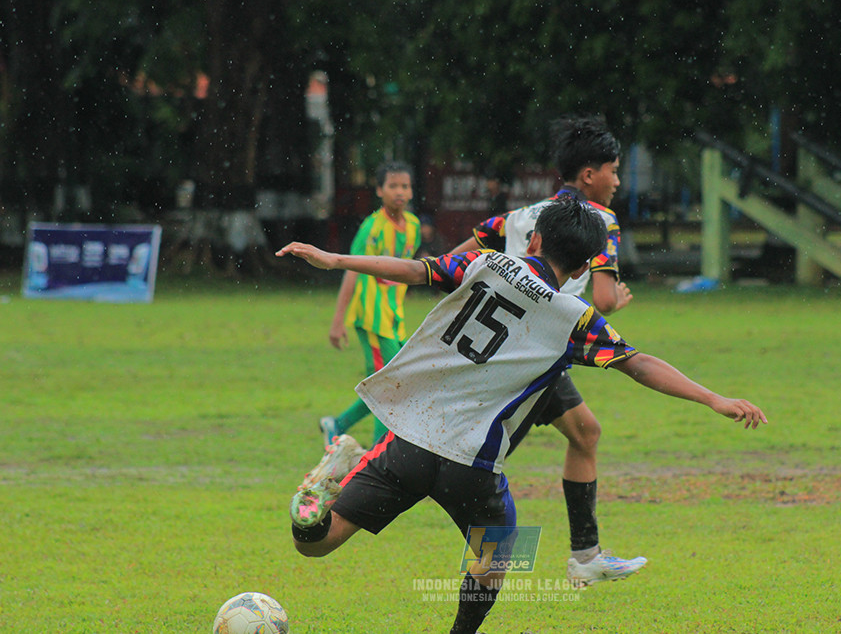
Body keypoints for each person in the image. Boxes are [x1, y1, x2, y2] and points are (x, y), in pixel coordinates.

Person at [276, 198, 768, 634]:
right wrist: (713, 399)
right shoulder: (572, 317)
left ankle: (311, 507)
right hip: (472, 464)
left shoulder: (488, 263)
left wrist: (334, 259)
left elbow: (416, 269)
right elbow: (639, 365)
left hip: (410, 438)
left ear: (534, 238)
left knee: (317, 545)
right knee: (498, 554)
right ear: (582, 267)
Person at [450, 114, 640, 587]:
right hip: (534, 355)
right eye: (614, 170)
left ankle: (586, 555)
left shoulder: (517, 217)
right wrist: (617, 300)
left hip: (502, 346)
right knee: (474, 464)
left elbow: (457, 261)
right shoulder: (601, 221)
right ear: (589, 174)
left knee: (585, 434)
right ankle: (357, 479)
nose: (618, 181)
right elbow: (600, 300)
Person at [319, 161, 421, 448]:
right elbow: (351, 269)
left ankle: (338, 424)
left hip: (395, 317)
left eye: (405, 186)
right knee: (388, 385)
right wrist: (338, 321)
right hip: (371, 317)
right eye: (393, 186)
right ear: (379, 190)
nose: (399, 192)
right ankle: (379, 453)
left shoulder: (413, 226)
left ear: (411, 191)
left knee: (391, 382)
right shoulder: (371, 228)